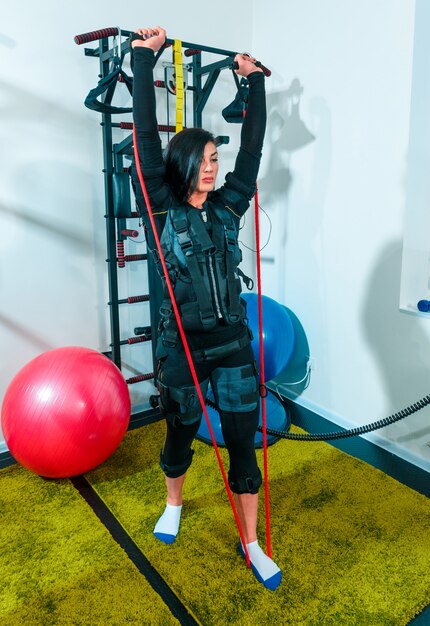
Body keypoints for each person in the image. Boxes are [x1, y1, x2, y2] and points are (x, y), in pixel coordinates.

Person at [130, 26, 281, 591]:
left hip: (234, 347)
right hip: (182, 350)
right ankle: (173, 502)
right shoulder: (160, 207)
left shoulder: (229, 207)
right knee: (180, 431)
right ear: (185, 162)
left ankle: (251, 543)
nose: (216, 168)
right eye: (207, 159)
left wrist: (255, 85)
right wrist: (143, 61)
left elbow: (255, 149)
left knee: (243, 444)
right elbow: (146, 135)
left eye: (218, 158)